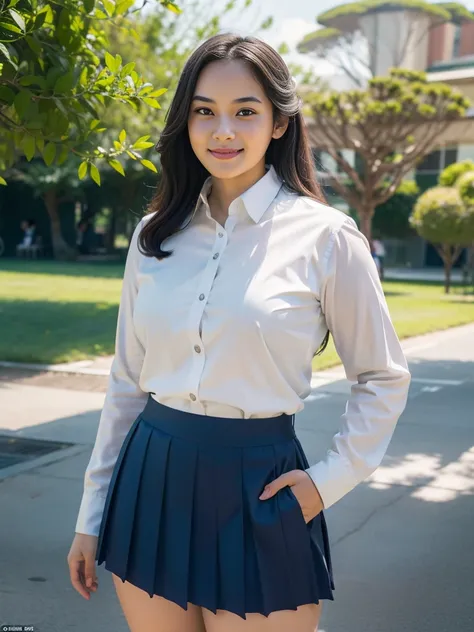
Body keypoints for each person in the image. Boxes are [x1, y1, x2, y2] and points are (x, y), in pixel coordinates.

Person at [67, 33, 411, 632]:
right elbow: (126, 382)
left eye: (245, 111)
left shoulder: (327, 238)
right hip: (151, 481)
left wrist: (324, 485)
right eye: (205, 111)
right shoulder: (155, 236)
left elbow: (382, 377)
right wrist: (90, 516)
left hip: (263, 490)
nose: (222, 130)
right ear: (187, 121)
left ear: (279, 122)